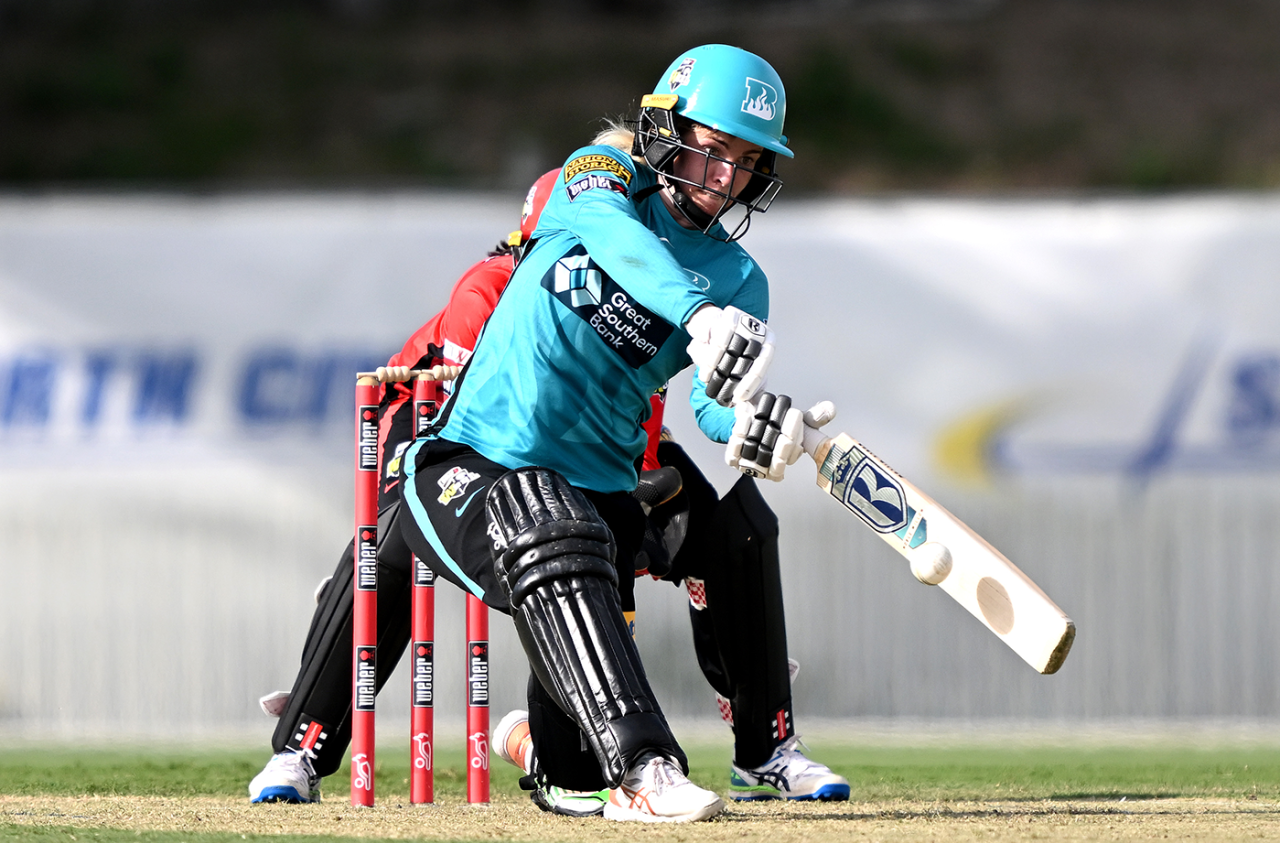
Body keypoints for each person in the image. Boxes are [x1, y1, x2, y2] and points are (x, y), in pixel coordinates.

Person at [395, 44, 839, 824]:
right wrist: (695, 315)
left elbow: (709, 404)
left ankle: (540, 744)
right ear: (667, 127)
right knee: (543, 508)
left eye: (745, 161)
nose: (725, 177)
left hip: (596, 511)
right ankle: (647, 768)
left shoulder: (741, 280)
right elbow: (615, 240)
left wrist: (759, 426)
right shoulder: (596, 180)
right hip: (470, 466)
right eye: (713, 148)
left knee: (572, 777)